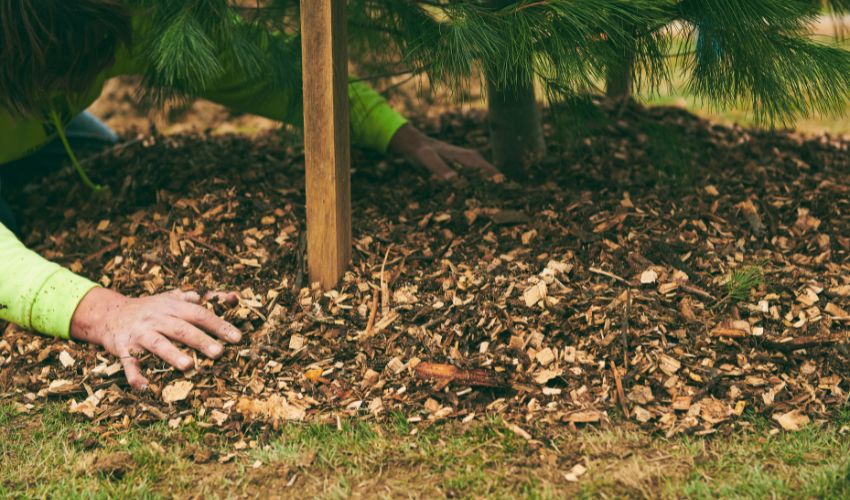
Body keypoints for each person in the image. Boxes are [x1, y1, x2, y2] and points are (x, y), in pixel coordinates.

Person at [0, 1, 499, 390]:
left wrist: (398, 133)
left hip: (33, 131)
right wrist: (107, 312)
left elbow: (263, 71)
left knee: (107, 157)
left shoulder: (107, 18)